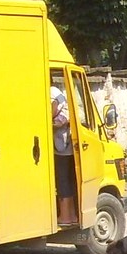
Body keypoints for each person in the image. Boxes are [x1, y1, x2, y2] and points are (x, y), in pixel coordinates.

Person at [51, 83, 78, 226]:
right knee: (68, 179)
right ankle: (72, 215)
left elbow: (51, 113)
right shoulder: (60, 93)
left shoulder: (52, 93)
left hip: (61, 145)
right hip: (67, 144)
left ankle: (65, 216)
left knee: (62, 181)